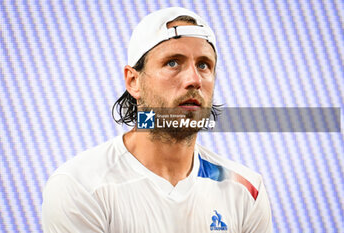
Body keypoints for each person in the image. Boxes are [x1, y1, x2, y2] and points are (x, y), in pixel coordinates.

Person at [42, 7, 273, 232]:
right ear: (133, 81)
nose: (194, 79)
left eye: (204, 65)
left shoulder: (245, 190)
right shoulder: (80, 187)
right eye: (173, 62)